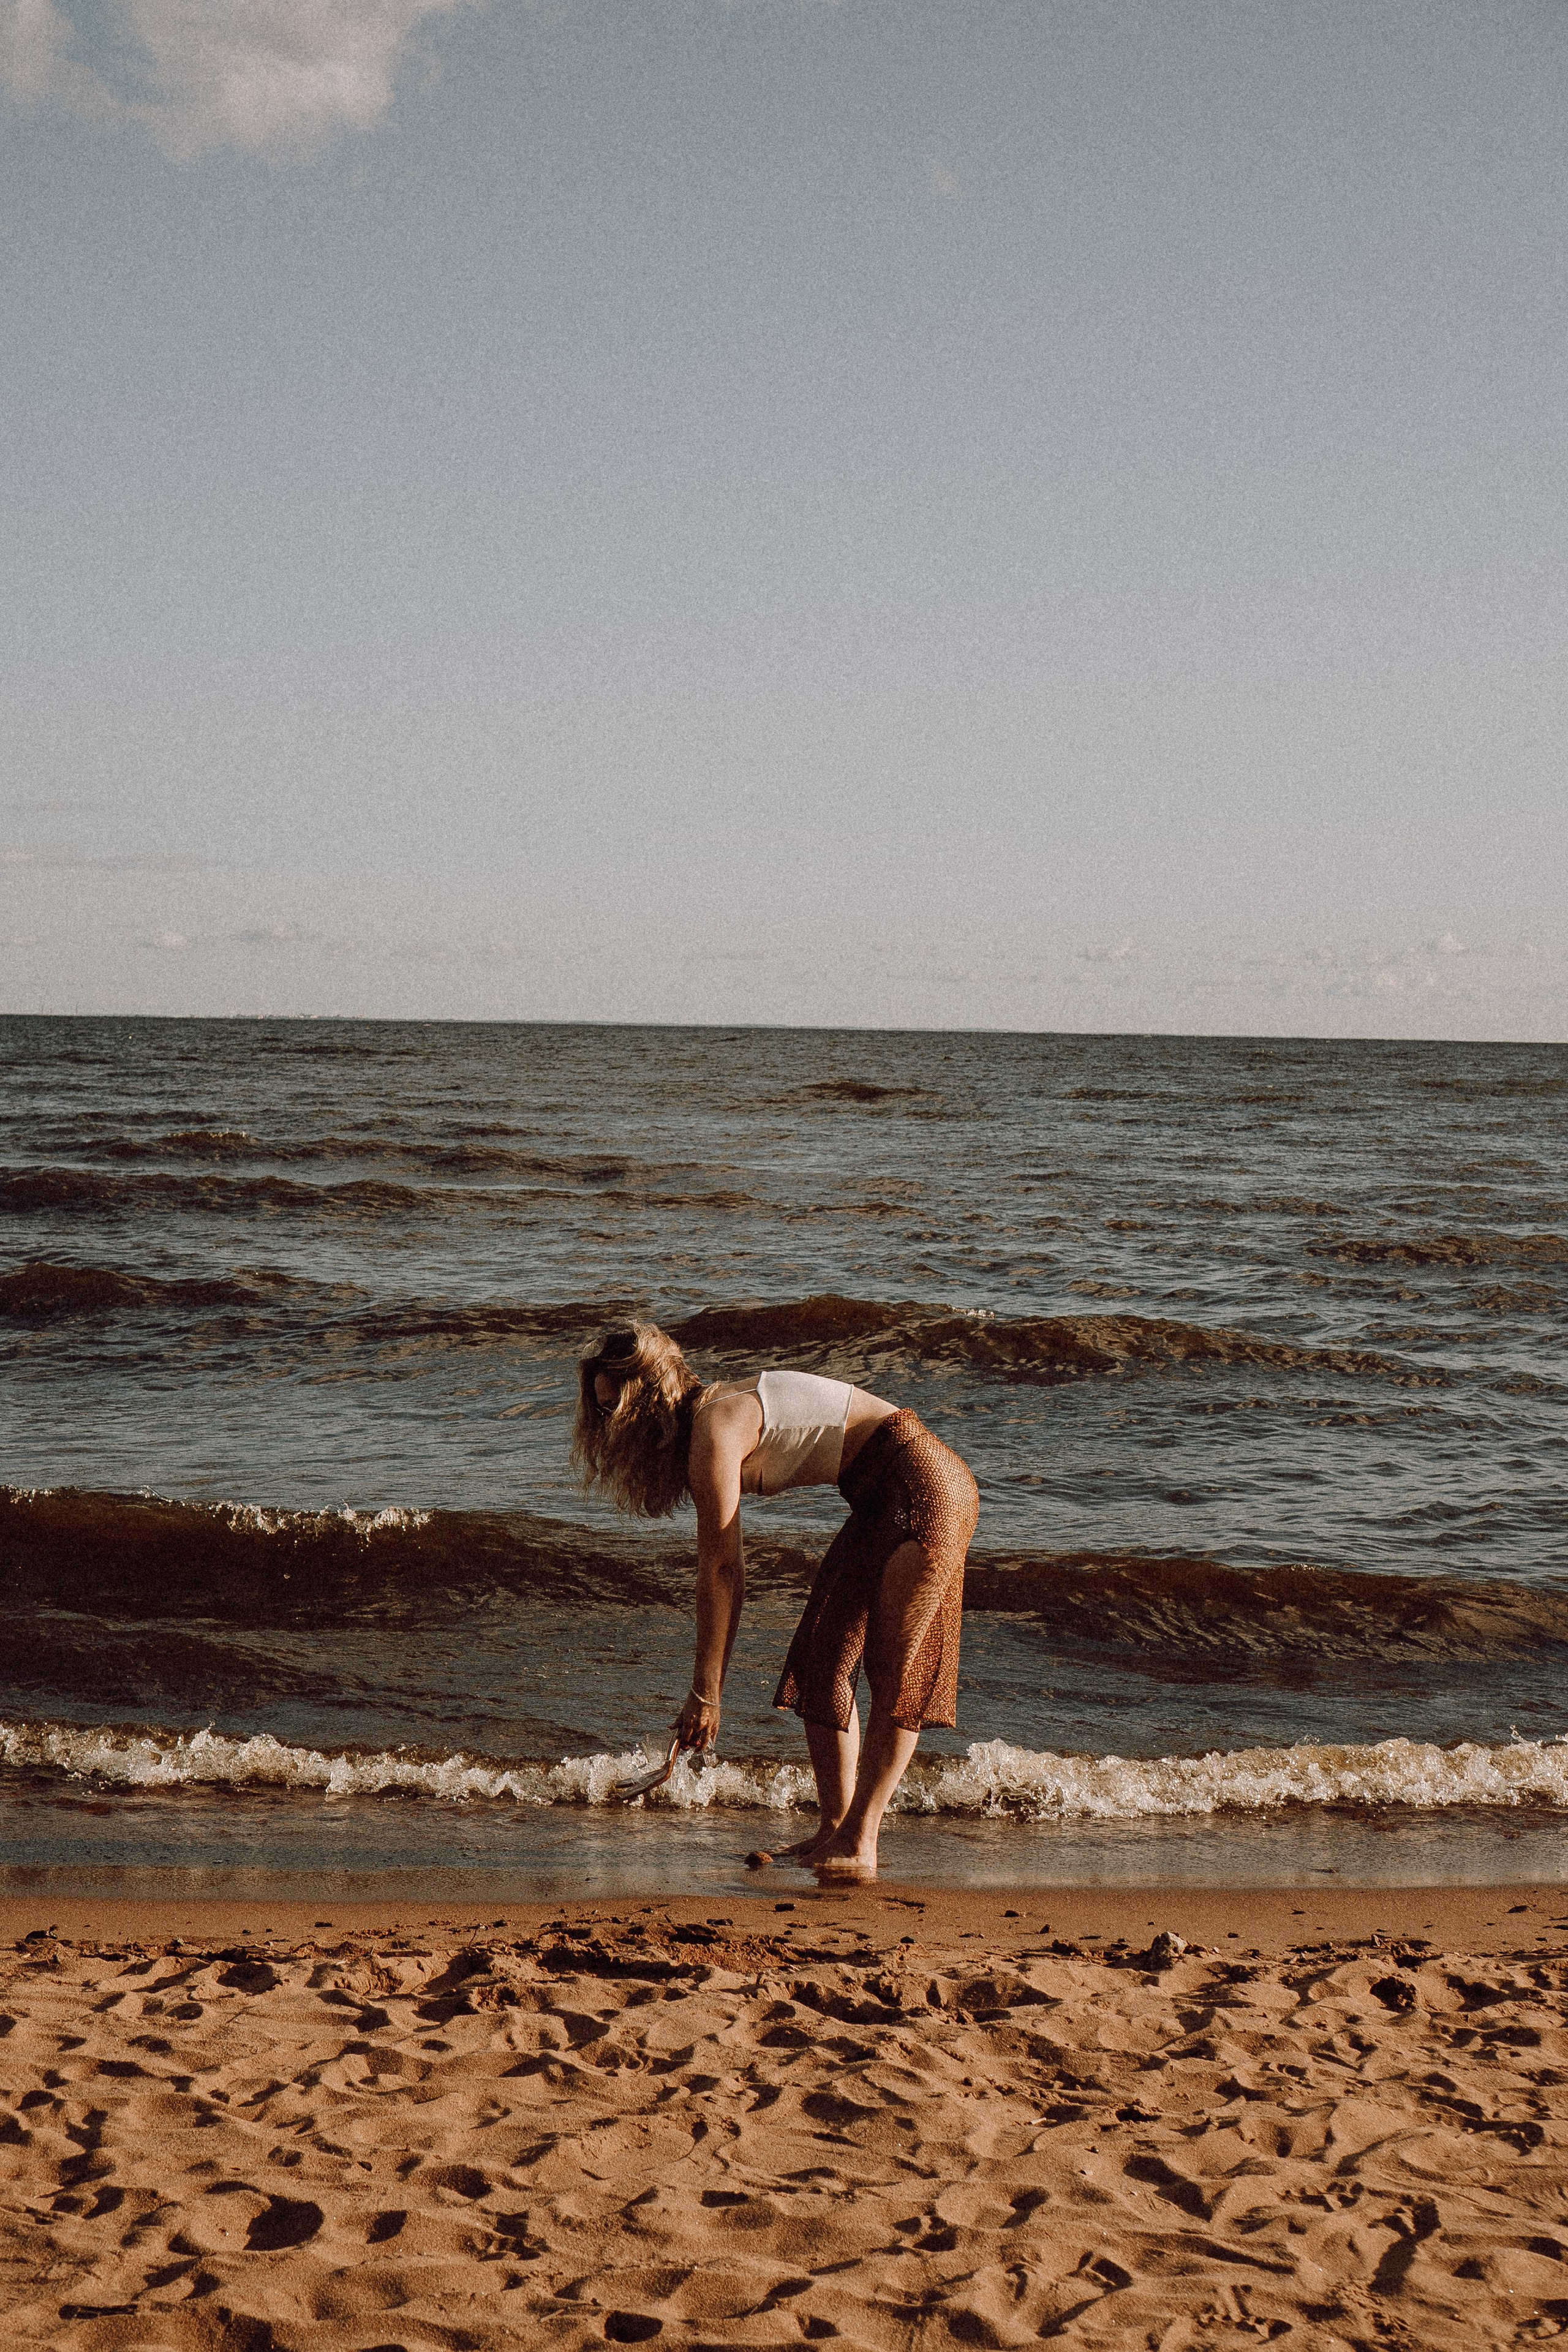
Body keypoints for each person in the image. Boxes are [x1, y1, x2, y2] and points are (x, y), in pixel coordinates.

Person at [571, 1321, 979, 1878]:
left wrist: (706, 1693)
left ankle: (861, 1841)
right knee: (821, 1657)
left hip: (925, 1485)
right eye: (600, 1410)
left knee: (894, 1670)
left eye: (617, 1407)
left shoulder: (713, 1430)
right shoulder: (713, 1416)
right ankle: (834, 1828)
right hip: (881, 1493)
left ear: (652, 1396)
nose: (610, 1425)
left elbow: (722, 1570)